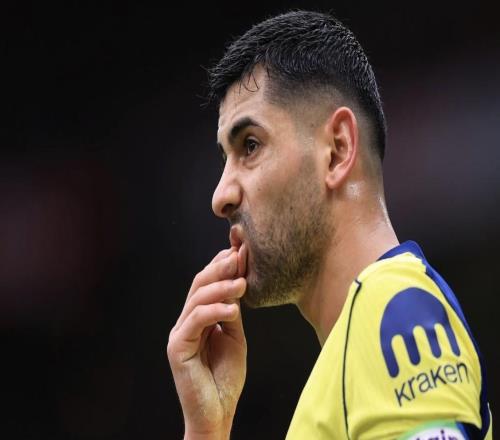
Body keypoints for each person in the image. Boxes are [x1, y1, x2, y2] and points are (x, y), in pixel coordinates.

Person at [167, 10, 492, 440]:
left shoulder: (395, 311)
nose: (220, 195)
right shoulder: (352, 351)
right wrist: (208, 430)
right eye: (225, 159)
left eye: (250, 145)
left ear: (337, 150)